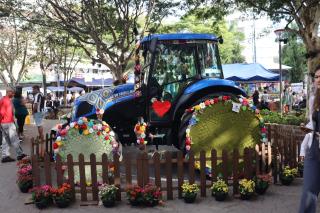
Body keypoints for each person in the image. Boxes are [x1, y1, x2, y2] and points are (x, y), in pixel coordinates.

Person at [298, 65, 320, 213]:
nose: (318, 80)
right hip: (315, 149)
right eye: (316, 77)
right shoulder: (314, 99)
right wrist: (307, 127)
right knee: (308, 192)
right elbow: (314, 123)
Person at [0, 87, 26, 163]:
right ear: (8, 92)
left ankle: (5, 156)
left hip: (5, 122)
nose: (13, 94)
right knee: (14, 139)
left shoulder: (5, 100)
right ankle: (20, 154)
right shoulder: (6, 101)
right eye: (12, 92)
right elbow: (1, 113)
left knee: (6, 140)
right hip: (7, 123)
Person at [32, 85, 45, 156]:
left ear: (36, 89)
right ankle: (41, 136)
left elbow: (36, 104)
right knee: (39, 124)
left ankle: (41, 136)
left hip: (38, 111)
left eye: (33, 89)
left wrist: (33, 111)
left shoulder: (37, 95)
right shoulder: (41, 94)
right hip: (41, 111)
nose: (32, 91)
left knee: (39, 124)